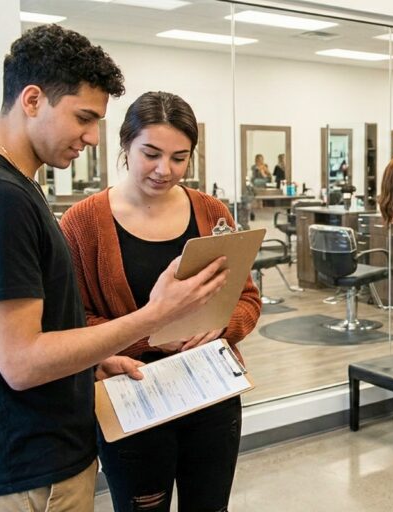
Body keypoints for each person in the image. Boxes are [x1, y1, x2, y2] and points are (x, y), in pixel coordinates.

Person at [0, 25, 227, 511]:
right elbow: (21, 362)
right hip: (24, 471)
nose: (90, 137)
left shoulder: (16, 190)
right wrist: (153, 317)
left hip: (50, 454)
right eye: (83, 118)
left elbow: (40, 331)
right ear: (32, 99)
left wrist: (94, 357)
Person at [60, 91, 261, 512]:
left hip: (211, 395)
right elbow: (71, 324)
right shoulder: (83, 222)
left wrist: (220, 327)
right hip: (132, 399)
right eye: (150, 153)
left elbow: (246, 299)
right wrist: (150, 337)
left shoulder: (211, 213)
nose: (163, 170)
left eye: (179, 157)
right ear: (125, 146)